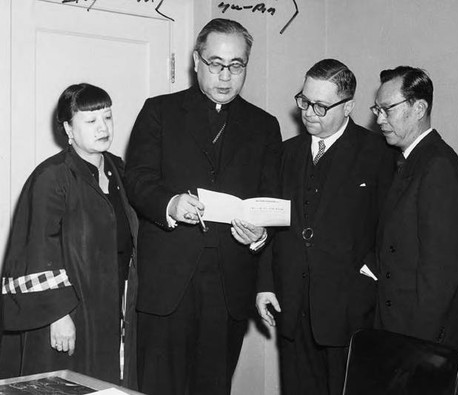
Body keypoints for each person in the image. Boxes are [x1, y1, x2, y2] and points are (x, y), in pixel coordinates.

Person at [124, 18, 281, 395]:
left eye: (236, 65)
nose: (225, 76)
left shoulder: (265, 125)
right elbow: (138, 180)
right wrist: (171, 203)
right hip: (168, 282)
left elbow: (270, 199)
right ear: (196, 61)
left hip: (229, 286)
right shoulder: (159, 111)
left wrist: (261, 233)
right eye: (215, 63)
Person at [256, 59, 395, 395]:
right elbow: (270, 224)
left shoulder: (378, 154)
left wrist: (369, 275)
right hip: (292, 308)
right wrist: (265, 284)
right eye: (304, 101)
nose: (308, 113)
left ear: (348, 106)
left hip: (350, 313)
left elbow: (392, 229)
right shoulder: (285, 153)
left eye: (320, 105)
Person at [0, 83, 138, 386]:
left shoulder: (120, 171)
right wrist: (57, 315)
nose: (102, 128)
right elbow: (36, 249)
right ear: (68, 128)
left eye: (108, 118)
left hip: (110, 305)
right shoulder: (52, 177)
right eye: (90, 121)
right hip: (69, 313)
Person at [371, 66, 458, 350]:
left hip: (422, 336)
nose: (379, 119)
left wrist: (416, 348)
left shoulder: (438, 164)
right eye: (376, 109)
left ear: (419, 108)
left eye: (386, 109)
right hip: (397, 327)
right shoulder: (405, 161)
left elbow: (440, 273)